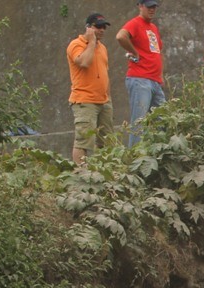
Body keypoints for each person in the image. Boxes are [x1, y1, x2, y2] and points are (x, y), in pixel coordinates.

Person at [115, 0, 164, 146]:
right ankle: (134, 156)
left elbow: (157, 51)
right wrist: (134, 52)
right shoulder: (135, 23)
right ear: (140, 6)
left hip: (154, 81)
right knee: (139, 122)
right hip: (139, 79)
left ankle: (160, 153)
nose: (152, 9)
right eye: (149, 7)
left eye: (154, 7)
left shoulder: (153, 28)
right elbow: (120, 36)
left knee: (164, 120)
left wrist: (160, 75)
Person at [67, 13, 113, 165]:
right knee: (83, 142)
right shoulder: (76, 45)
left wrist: (108, 98)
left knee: (107, 141)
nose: (102, 30)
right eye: (98, 27)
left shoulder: (103, 48)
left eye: (104, 27)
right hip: (85, 101)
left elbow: (105, 73)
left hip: (104, 101)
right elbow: (84, 62)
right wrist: (91, 41)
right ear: (88, 28)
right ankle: (82, 175)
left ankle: (105, 172)